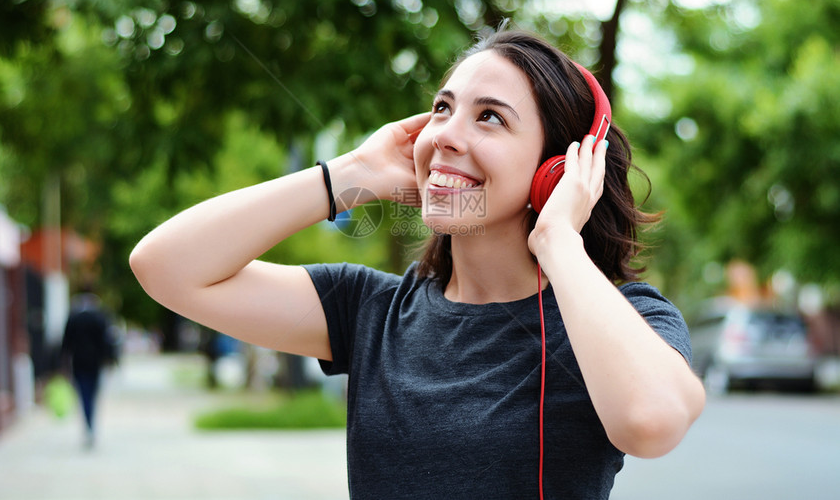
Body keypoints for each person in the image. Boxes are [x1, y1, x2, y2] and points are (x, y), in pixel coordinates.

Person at [130, 29, 705, 498]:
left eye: (490, 118)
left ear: (555, 168)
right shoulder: (370, 311)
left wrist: (558, 237)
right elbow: (164, 266)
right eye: (442, 109)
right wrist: (350, 175)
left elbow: (650, 423)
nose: (446, 135)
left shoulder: (620, 317)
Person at [61, 291, 118, 448]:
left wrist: (62, 365)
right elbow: (107, 341)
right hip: (95, 363)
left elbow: (65, 343)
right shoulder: (99, 317)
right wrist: (110, 361)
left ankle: (88, 424)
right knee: (92, 394)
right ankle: (90, 424)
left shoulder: (74, 318)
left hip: (79, 362)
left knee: (84, 394)